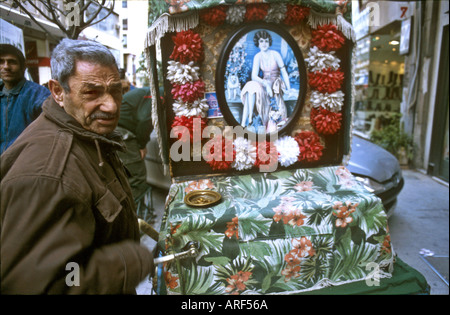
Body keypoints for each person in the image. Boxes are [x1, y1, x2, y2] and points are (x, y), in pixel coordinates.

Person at [0, 39, 154, 294]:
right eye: (91, 92)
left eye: (116, 90)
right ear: (58, 92)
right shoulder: (48, 176)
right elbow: (41, 284)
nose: (112, 105)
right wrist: (128, 261)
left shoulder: (85, 133)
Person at [0, 44, 51, 153]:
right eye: (1, 62)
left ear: (23, 67)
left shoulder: (38, 95)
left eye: (12, 62)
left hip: (25, 162)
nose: (6, 67)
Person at [115, 87, 155, 223]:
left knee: (127, 175)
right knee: (136, 177)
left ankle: (136, 214)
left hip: (119, 129)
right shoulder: (158, 95)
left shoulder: (152, 91)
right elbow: (145, 119)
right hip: (123, 132)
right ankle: (137, 219)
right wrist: (142, 144)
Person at [240, 30, 292, 132]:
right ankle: (247, 120)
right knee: (251, 85)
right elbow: (254, 76)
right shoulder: (257, 56)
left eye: (266, 41)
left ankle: (246, 122)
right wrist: (265, 84)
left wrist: (288, 89)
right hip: (264, 85)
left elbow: (284, 72)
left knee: (253, 87)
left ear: (269, 42)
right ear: (258, 43)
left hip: (275, 86)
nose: (264, 44)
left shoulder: (275, 54)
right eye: (261, 41)